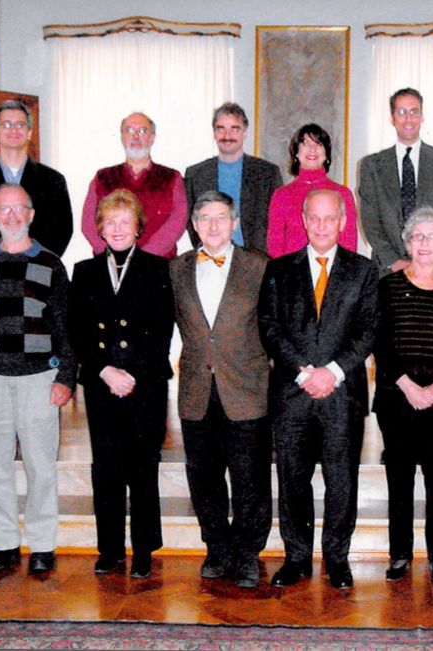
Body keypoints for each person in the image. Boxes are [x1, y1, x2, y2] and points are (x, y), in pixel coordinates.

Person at [0, 183, 76, 574]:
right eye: (3, 210)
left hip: (39, 378)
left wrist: (66, 378)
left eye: (18, 209)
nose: (11, 216)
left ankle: (42, 545)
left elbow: (66, 327)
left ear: (31, 214)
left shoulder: (52, 265)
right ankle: (4, 543)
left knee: (41, 466)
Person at [258, 188, 378, 590]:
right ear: (305, 221)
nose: (323, 226)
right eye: (315, 218)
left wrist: (333, 372)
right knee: (293, 477)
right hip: (293, 393)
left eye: (331, 219)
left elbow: (368, 331)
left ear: (344, 223)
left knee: (341, 479)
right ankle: (296, 558)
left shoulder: (363, 271)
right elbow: (270, 327)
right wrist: (302, 372)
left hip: (342, 394)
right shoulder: (278, 269)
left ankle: (337, 558)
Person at [68, 189, 174, 579]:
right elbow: (76, 330)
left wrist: (133, 374)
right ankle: (110, 548)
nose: (116, 229)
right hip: (101, 383)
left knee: (143, 467)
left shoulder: (157, 268)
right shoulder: (84, 271)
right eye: (109, 222)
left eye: (124, 222)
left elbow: (163, 330)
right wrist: (104, 370)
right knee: (106, 468)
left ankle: (144, 548)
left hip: (144, 384)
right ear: (99, 228)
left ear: (138, 228)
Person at [171, 191, 272, 589]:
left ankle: (247, 553)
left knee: (250, 478)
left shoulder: (259, 266)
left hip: (246, 388)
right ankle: (217, 548)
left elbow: (271, 327)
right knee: (204, 476)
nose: (213, 226)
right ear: (194, 225)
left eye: (221, 217)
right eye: (205, 218)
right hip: (197, 386)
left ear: (234, 222)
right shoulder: (176, 270)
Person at [373, 206, 433, 584]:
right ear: (408, 244)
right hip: (397, 399)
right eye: (418, 236)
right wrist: (409, 386)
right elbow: (380, 343)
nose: (425, 244)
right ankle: (400, 554)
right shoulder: (388, 287)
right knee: (399, 480)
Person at [358, 88, 433, 277]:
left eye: (414, 112)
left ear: (422, 117)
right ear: (392, 118)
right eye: (402, 112)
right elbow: (370, 220)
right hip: (388, 270)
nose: (408, 119)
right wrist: (395, 262)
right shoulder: (372, 166)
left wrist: (427, 257)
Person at [0, 100, 73, 257]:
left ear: (29, 132)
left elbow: (62, 230)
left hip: (39, 269)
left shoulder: (53, 180)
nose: (13, 130)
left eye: (20, 125)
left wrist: (35, 259)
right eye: (6, 124)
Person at [81, 112, 188, 259]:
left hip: (158, 265)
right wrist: (112, 257)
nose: (136, 136)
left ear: (152, 138)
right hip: (110, 267)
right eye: (130, 130)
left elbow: (178, 222)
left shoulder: (172, 178)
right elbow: (88, 225)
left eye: (142, 131)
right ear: (122, 137)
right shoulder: (102, 178)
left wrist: (143, 258)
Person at [184, 103, 283, 252]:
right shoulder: (196, 174)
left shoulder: (267, 173)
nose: (227, 136)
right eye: (221, 128)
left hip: (256, 261)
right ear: (214, 134)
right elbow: (191, 220)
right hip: (211, 257)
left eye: (234, 129)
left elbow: (277, 221)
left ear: (245, 133)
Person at [266, 124, 358, 258]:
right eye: (305, 143)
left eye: (319, 144)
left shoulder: (343, 194)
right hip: (292, 272)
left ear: (327, 154)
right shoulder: (281, 195)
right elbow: (274, 244)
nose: (312, 149)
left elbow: (349, 243)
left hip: (333, 272)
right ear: (296, 153)